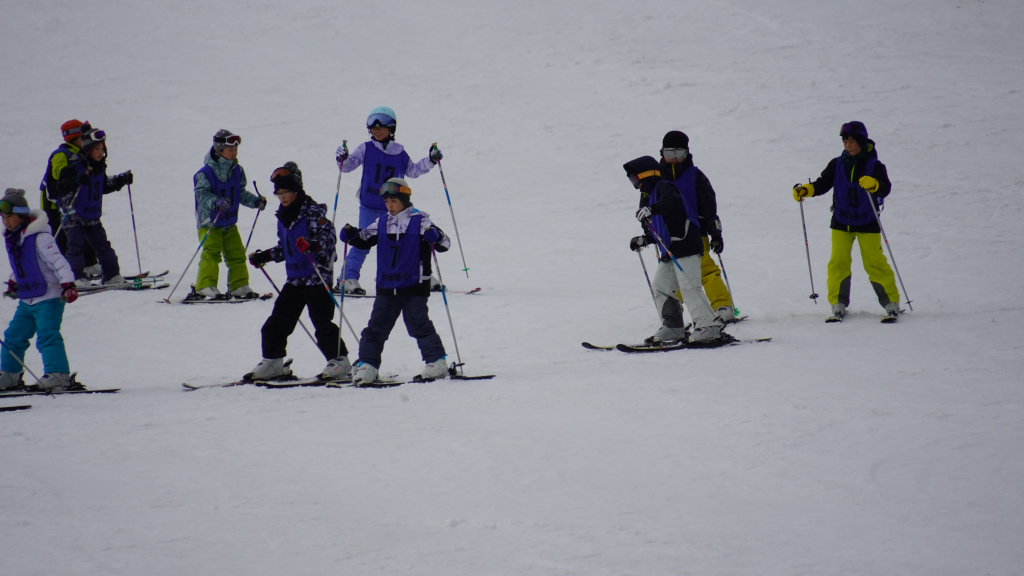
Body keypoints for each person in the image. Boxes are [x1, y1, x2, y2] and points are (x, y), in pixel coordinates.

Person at [339, 177, 451, 384]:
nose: (390, 206)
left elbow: (445, 243)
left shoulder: (420, 220)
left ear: (405, 199)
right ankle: (368, 364)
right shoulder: (382, 222)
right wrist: (352, 235)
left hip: (414, 285)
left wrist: (435, 235)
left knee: (418, 325)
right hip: (387, 285)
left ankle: (437, 362)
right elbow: (363, 240)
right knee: (376, 326)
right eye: (387, 202)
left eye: (394, 201)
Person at [246, 162, 350, 381]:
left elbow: (329, 239)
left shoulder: (313, 213)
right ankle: (273, 361)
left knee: (322, 323)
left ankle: (340, 361)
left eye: (287, 192)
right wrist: (265, 256)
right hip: (294, 279)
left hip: (317, 278)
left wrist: (313, 245)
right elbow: (286, 248)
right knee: (276, 323)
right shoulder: (283, 217)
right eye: (279, 193)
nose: (283, 197)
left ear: (297, 190)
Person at [792, 121, 900, 322]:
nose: (848, 146)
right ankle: (838, 303)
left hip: (867, 222)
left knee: (875, 263)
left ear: (862, 142)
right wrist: (807, 190)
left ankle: (891, 303)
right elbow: (823, 183)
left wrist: (875, 184)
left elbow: (885, 187)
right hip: (841, 222)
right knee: (838, 263)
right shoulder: (837, 163)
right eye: (845, 141)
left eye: (852, 141)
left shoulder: (874, 165)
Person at [626, 132, 725, 343]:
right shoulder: (646, 196)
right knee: (661, 287)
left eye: (635, 179)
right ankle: (673, 327)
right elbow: (654, 229)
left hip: (686, 243)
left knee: (689, 285)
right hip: (668, 250)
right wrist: (644, 240)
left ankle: (709, 325)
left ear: (646, 175)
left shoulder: (664, 187)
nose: (634, 184)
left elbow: (673, 203)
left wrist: (652, 209)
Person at [334, 106, 443, 295]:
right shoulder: (366, 148)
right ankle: (347, 278)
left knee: (406, 242)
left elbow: (413, 171)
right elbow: (347, 167)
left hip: (396, 208)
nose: (377, 131)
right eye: (373, 129)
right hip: (370, 206)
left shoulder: (399, 152)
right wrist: (341, 158)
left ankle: (419, 275)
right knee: (362, 242)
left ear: (391, 129)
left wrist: (431, 160)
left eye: (381, 128)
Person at [0, 188, 79, 392]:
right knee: (14, 335)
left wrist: (68, 284)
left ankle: (58, 374)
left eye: (10, 217)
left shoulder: (39, 237)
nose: (5, 221)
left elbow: (59, 263)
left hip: (49, 297)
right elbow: (23, 265)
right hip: (27, 299)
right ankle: (10, 374)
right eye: (2, 217)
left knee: (47, 335)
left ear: (22, 216)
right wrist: (13, 282)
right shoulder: (14, 238)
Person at [653, 131, 735, 324]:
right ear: (662, 153)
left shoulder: (695, 176)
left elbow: (709, 206)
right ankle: (675, 314)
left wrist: (715, 233)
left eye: (679, 154)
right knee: (674, 274)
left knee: (704, 269)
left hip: (695, 233)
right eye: (670, 153)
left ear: (687, 153)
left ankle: (722, 306)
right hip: (668, 236)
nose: (674, 159)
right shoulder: (656, 177)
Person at [189, 129, 266, 300]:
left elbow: (240, 193)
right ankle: (205, 285)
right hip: (209, 221)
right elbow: (201, 194)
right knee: (211, 252)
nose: (234, 153)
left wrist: (255, 201)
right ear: (219, 150)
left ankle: (239, 285)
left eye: (236, 150)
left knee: (237, 253)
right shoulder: (205, 172)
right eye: (230, 150)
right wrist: (215, 201)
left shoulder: (237, 170)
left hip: (229, 221)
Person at [53, 123, 131, 286]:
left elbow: (102, 186)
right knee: (76, 247)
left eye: (103, 149)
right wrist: (75, 180)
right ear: (88, 149)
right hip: (74, 215)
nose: (101, 153)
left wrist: (120, 181)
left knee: (103, 246)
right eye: (97, 149)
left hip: (92, 214)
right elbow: (60, 185)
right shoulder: (74, 166)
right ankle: (75, 277)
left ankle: (111, 275)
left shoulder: (99, 167)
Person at [38, 119, 99, 276]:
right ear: (75, 138)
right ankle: (67, 271)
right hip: (54, 204)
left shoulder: (80, 153)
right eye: (83, 139)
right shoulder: (61, 154)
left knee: (83, 230)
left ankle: (90, 263)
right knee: (67, 238)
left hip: (74, 201)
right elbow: (59, 176)